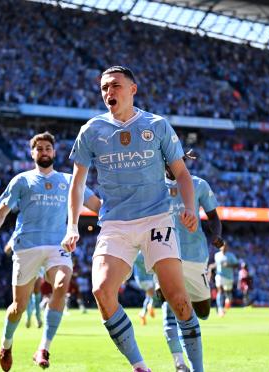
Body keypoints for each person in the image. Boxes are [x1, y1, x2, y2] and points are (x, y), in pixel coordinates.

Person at [62, 66, 199, 372]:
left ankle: (197, 368)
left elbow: (181, 173)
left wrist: (190, 207)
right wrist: (72, 226)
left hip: (156, 218)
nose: (108, 92)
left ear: (133, 89)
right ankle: (140, 366)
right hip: (115, 223)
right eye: (103, 88)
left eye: (115, 86)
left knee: (177, 299)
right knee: (101, 291)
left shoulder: (156, 125)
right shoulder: (91, 130)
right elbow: (77, 184)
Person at [0, 131, 101, 371]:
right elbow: (1, 213)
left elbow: (96, 205)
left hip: (58, 246)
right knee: (18, 307)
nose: (44, 152)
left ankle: (43, 347)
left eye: (47, 148)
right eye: (39, 149)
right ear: (32, 153)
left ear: (54, 152)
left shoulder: (68, 181)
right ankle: (7, 343)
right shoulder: (21, 181)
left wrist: (123, 217)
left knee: (62, 284)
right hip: (27, 247)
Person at [159, 159, 224, 372]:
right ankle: (179, 363)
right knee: (171, 307)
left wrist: (216, 235)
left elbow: (213, 217)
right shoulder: (153, 185)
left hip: (196, 256)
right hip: (165, 253)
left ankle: (188, 331)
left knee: (203, 311)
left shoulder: (198, 184)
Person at [210, 243, 239, 317]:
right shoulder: (217, 255)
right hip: (219, 276)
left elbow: (237, 264)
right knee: (219, 291)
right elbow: (217, 264)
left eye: (225, 246)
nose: (223, 247)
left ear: (227, 247)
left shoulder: (231, 255)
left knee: (228, 294)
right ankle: (220, 309)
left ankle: (225, 308)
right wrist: (211, 266)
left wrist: (229, 265)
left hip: (229, 277)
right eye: (222, 246)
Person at [133, 252, 155, 326]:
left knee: (149, 296)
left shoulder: (145, 253)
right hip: (143, 279)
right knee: (155, 295)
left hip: (148, 279)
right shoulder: (139, 254)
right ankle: (150, 306)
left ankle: (143, 312)